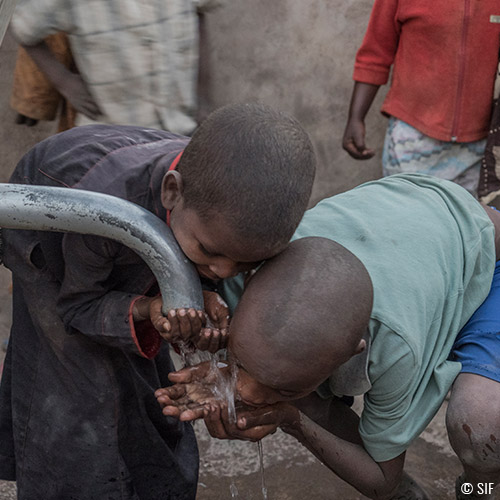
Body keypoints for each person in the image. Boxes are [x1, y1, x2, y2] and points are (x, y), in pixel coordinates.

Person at [0, 102, 316, 499]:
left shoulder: (213, 209)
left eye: (244, 264)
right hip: (55, 233)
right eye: (210, 254)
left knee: (143, 380)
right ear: (172, 191)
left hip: (129, 233)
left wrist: (203, 298)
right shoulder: (97, 213)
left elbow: (214, 263)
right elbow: (77, 306)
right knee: (77, 386)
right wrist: (147, 308)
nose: (222, 270)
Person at [156, 173, 500, 500]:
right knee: (294, 385)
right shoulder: (248, 270)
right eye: (241, 366)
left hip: (485, 253)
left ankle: (479, 489)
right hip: (412, 225)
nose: (246, 393)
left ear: (355, 352)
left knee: (480, 427)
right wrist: (245, 380)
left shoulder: (398, 347)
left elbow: (382, 482)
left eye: (282, 388)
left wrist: (291, 419)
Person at [342, 1, 500, 196]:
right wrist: (356, 117)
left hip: (477, 147)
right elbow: (376, 51)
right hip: (411, 139)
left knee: (465, 223)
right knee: (406, 219)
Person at [9, 0, 223, 133]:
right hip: (111, 140)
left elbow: (199, 14)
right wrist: (65, 82)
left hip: (179, 131)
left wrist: (202, 95)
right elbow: (24, 27)